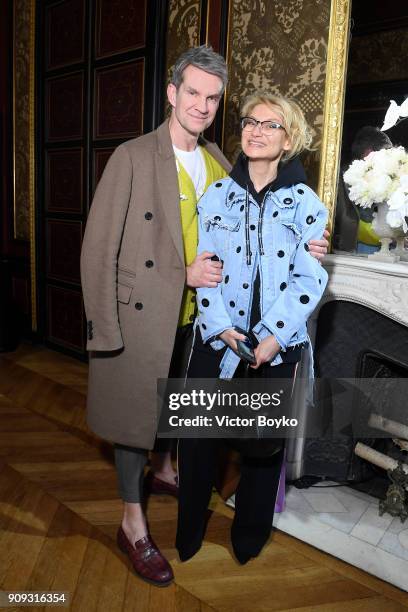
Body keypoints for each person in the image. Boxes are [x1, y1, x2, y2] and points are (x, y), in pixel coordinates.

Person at [80, 46, 329, 587]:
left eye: (213, 97)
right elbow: (99, 248)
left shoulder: (219, 160)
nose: (201, 104)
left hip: (201, 322)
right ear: (172, 94)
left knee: (177, 407)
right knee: (132, 417)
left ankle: (167, 468)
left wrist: (307, 245)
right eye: (192, 92)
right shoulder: (133, 155)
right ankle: (133, 521)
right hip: (146, 309)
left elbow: (262, 228)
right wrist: (106, 326)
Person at [176, 92, 328, 565]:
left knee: (263, 450)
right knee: (198, 443)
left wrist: (274, 337)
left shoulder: (307, 204)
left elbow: (310, 278)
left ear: (289, 140)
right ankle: (188, 533)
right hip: (217, 341)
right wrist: (221, 330)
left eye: (270, 124)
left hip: (276, 347)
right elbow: (206, 269)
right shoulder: (216, 195)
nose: (256, 130)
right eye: (249, 121)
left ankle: (249, 537)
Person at [334, 126, 392, 253]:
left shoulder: (387, 179)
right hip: (350, 253)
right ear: (369, 153)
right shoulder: (337, 181)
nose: (390, 160)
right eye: (386, 153)